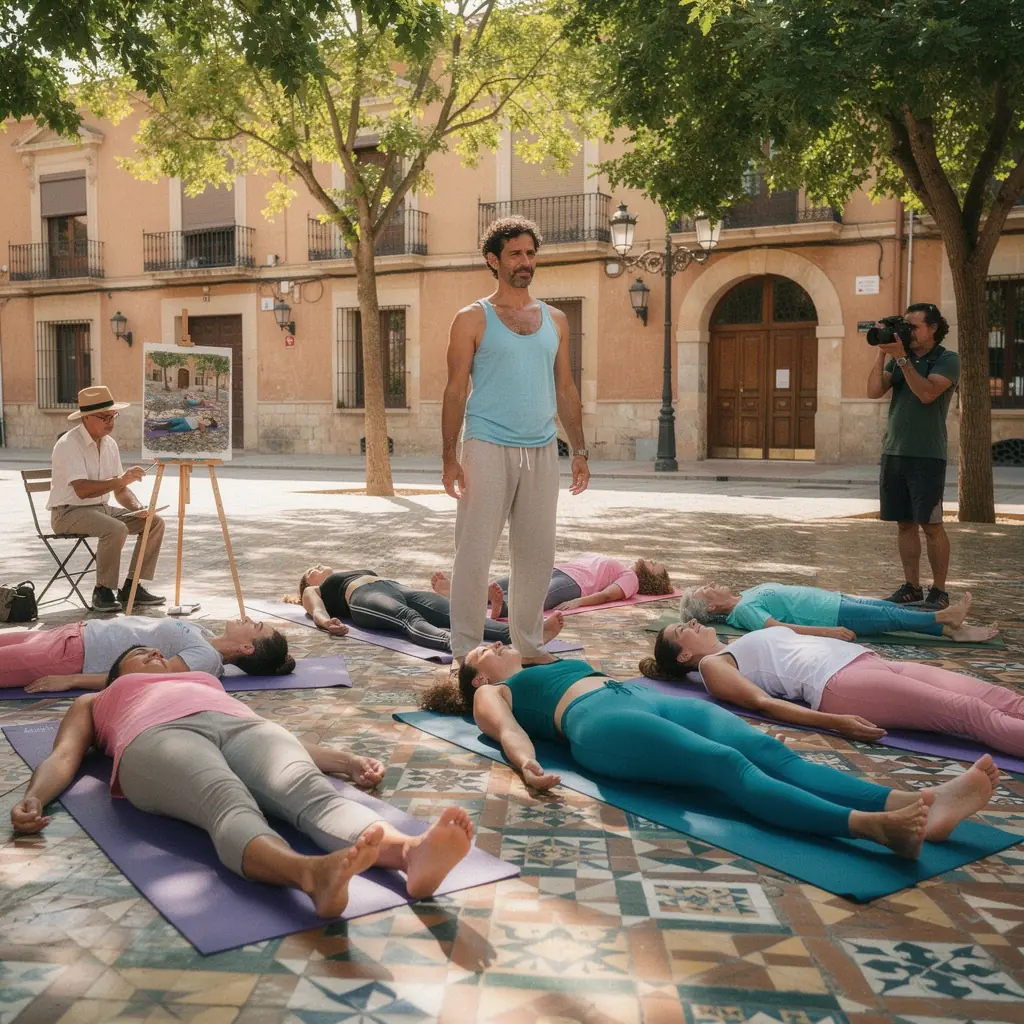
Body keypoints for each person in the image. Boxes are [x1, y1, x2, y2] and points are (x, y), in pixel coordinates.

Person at [10, 646, 475, 917]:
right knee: (226, 802)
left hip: (239, 726)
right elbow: (65, 755)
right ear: (117, 675)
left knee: (311, 793)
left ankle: (411, 854)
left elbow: (286, 747)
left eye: (152, 649)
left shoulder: (202, 680)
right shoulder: (99, 700)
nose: (150, 652)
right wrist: (35, 798)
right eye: (136, 654)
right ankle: (309, 875)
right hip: (154, 738)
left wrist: (344, 761)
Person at [421, 642, 1000, 854]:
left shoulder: (549, 658)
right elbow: (509, 731)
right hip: (599, 723)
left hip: (641, 699)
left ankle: (915, 801)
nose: (491, 646)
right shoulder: (491, 692)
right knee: (727, 766)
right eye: (479, 652)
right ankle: (867, 826)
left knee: (773, 753)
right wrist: (526, 765)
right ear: (475, 677)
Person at [441, 216, 589, 666]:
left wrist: (578, 450)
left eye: (530, 253)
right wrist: (449, 456)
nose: (526, 262)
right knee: (474, 551)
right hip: (486, 444)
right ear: (494, 260)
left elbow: (566, 388)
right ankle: (465, 648)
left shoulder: (556, 320)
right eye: (516, 254)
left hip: (542, 448)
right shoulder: (472, 318)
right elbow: (454, 389)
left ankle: (529, 643)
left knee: (537, 552)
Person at [644, 620, 1024, 758]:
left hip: (866, 661)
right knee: (972, 714)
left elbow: (796, 637)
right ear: (684, 657)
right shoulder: (713, 666)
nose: (691, 623)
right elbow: (763, 704)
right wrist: (835, 722)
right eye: (682, 631)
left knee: (996, 696)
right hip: (840, 684)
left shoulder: (732, 645)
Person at [866, 303, 961, 609]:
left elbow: (927, 394)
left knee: (931, 525)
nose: (907, 331)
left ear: (933, 328)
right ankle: (911, 587)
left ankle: (940, 590)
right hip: (894, 450)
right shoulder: (897, 359)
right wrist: (883, 351)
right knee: (904, 523)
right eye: (904, 325)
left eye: (913, 326)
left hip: (926, 454)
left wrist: (902, 358)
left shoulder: (946, 359)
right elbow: (872, 391)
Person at [48, 385, 166, 613]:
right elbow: (82, 490)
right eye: (104, 417)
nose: (110, 421)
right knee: (116, 528)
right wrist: (120, 480)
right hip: (67, 512)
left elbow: (120, 490)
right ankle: (102, 590)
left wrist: (138, 508)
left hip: (100, 508)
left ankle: (132, 587)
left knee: (154, 521)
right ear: (86, 418)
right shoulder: (68, 444)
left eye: (113, 416)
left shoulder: (109, 444)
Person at [285, 564, 565, 653]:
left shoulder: (353, 569)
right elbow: (316, 608)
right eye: (312, 570)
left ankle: (527, 636)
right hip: (362, 597)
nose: (319, 568)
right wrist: (324, 621)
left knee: (459, 614)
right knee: (409, 619)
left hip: (397, 587)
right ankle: (457, 645)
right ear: (307, 583)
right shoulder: (316, 590)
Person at [0, 615, 293, 690]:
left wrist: (71, 681)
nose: (246, 618)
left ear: (246, 648)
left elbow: (142, 676)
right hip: (72, 633)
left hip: (72, 654)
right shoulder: (204, 635)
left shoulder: (206, 659)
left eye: (255, 626)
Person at [677, 582, 996, 643]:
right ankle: (944, 617)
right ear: (711, 607)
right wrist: (828, 633)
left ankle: (952, 631)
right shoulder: (743, 611)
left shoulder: (744, 596)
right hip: (831, 617)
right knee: (893, 619)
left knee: (890, 609)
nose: (712, 584)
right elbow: (778, 628)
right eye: (707, 590)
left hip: (834, 600)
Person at [431, 554, 673, 618]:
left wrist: (579, 602)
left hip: (575, 584)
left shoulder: (632, 578)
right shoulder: (624, 568)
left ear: (651, 579)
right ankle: (459, 592)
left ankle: (500, 608)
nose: (652, 561)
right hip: (559, 569)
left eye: (655, 566)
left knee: (535, 598)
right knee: (506, 581)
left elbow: (609, 595)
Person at [147, 413, 218, 433]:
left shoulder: (206, 420)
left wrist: (202, 428)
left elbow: (200, 424)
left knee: (171, 424)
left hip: (187, 421)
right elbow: (200, 424)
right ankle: (155, 428)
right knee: (171, 427)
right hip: (188, 423)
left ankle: (155, 427)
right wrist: (203, 430)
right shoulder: (207, 421)